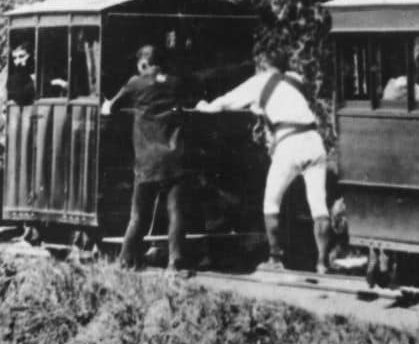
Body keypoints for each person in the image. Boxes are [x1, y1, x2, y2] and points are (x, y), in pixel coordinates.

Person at [195, 49, 333, 274]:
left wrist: (205, 106)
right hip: (315, 141)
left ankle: (275, 258)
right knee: (319, 205)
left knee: (271, 202)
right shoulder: (296, 80)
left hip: (289, 143)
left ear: (263, 64)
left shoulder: (259, 82)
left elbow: (225, 102)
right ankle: (322, 263)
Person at [101, 43, 194, 273]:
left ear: (143, 63)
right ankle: (175, 262)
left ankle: (125, 259)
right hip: (174, 158)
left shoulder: (136, 82)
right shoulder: (175, 82)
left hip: (147, 160)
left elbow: (110, 108)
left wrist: (107, 105)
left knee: (138, 214)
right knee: (176, 212)